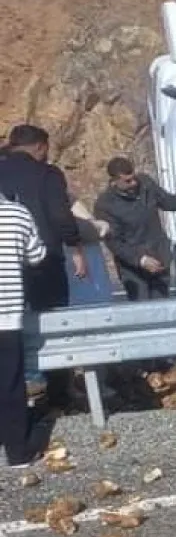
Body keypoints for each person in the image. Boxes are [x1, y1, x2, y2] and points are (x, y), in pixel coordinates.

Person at [0, 124, 86, 410]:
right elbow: (61, 216)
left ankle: (18, 390)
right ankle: (57, 394)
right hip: (44, 263)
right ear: (40, 146)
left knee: (10, 329)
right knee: (52, 323)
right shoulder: (47, 174)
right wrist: (75, 247)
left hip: (5, 264)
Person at [93, 157, 176, 301]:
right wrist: (141, 260)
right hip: (133, 268)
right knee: (142, 309)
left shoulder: (146, 184)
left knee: (163, 308)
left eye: (134, 178)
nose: (134, 183)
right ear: (114, 181)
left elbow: (169, 202)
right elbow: (114, 243)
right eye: (127, 181)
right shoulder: (105, 205)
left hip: (159, 256)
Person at [0, 194, 47, 467]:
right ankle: (17, 452)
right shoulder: (18, 213)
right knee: (10, 382)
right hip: (6, 312)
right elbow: (36, 255)